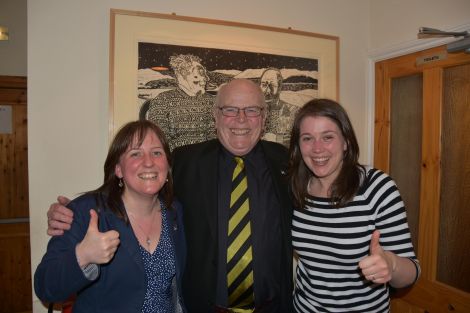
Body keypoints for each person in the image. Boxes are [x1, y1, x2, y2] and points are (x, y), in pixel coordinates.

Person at [46, 79, 294, 313]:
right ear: (215, 116)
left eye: (252, 110)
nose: (241, 119)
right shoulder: (187, 161)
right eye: (230, 109)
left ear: (264, 117)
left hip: (272, 306)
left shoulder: (286, 162)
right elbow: (136, 182)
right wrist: (71, 214)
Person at [35, 120, 186, 313]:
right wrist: (83, 255)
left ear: (167, 166)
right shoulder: (88, 213)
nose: (149, 162)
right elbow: (45, 287)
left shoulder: (175, 211)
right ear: (118, 169)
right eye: (135, 154)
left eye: (157, 152)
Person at [288, 98, 420, 313]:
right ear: (298, 145)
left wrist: (391, 263)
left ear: (346, 142)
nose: (317, 148)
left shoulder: (377, 187)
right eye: (307, 138)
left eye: (328, 137)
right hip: (303, 308)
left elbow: (412, 271)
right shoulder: (295, 187)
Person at [145, 54, 216, 150]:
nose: (205, 79)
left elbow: (214, 137)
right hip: (175, 161)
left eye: (204, 76)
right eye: (196, 76)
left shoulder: (212, 101)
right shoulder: (162, 101)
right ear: (181, 77)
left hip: (206, 160)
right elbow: (159, 142)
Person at [260, 68, 298, 146]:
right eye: (264, 85)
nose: (267, 91)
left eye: (272, 86)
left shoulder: (293, 112)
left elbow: (302, 139)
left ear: (280, 87)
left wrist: (278, 139)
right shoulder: (251, 112)